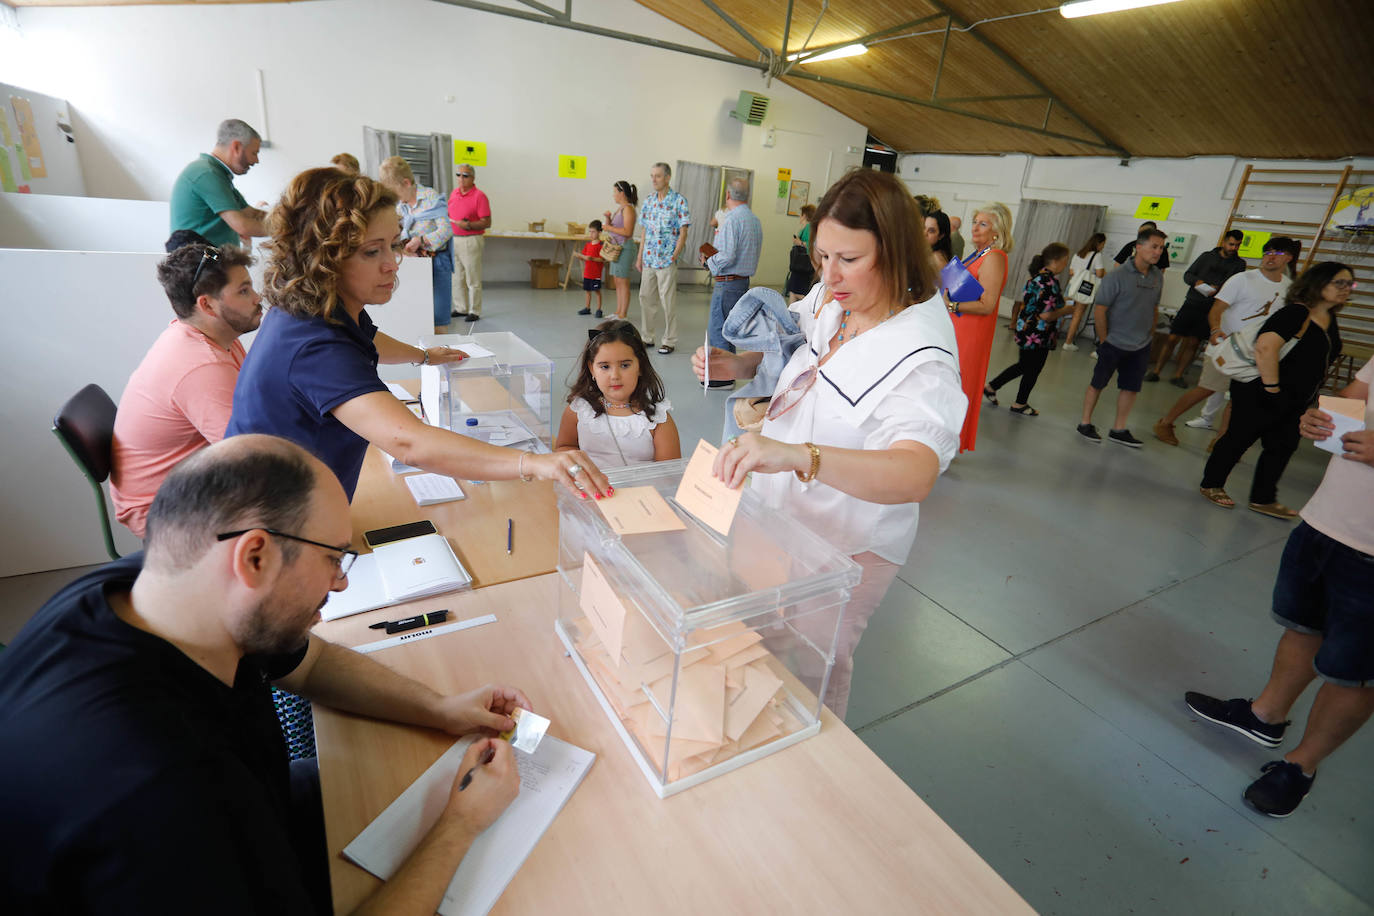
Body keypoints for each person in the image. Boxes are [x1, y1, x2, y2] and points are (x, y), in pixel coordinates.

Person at [0, 436, 526, 914]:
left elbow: (309, 661)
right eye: (334, 559)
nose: (340, 584)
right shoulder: (165, 796)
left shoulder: (151, 587)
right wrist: (460, 827)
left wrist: (439, 707)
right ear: (254, 556)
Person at [690, 168, 967, 719]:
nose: (830, 275)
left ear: (895, 251)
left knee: (813, 664)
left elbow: (914, 473)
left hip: (847, 539)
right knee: (761, 630)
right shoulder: (834, 297)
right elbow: (796, 345)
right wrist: (739, 362)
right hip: (781, 510)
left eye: (849, 259)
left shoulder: (922, 355)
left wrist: (798, 456)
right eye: (822, 256)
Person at [227, 167, 610, 503]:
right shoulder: (313, 345)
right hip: (268, 520)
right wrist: (535, 463)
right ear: (324, 258)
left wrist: (423, 356)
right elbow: (410, 442)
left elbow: (366, 338)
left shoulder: (317, 309)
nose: (393, 263)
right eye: (372, 252)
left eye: (393, 244)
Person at [1184, 356, 1372, 818]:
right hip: (1327, 521)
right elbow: (1358, 397)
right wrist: (1323, 416)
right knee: (1303, 627)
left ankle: (1301, 766)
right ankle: (1264, 716)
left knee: (1356, 671)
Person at [110, 243, 262, 538]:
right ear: (207, 305)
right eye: (244, 291)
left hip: (190, 483)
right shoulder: (201, 366)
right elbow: (250, 457)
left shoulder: (214, 337)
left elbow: (254, 406)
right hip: (163, 509)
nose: (258, 298)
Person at [1198, 262, 1347, 516]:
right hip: (1263, 388)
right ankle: (1212, 483)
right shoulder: (1296, 313)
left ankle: (1263, 497)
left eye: (1349, 284)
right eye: (1339, 282)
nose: (1346, 289)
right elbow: (1265, 347)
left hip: (1296, 398)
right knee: (1239, 437)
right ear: (1318, 283)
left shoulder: (1329, 321)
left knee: (1282, 446)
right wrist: (1272, 388)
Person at [1152, 237, 1301, 447]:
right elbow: (1217, 309)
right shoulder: (1242, 279)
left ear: (1288, 258)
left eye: (1276, 254)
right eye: (1267, 252)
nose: (1270, 257)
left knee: (1238, 400)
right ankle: (1165, 423)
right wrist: (1215, 329)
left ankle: (1221, 442)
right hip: (1226, 348)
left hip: (1254, 355)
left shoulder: (1289, 288)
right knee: (1206, 388)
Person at [1076, 227, 1167, 447]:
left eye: (1161, 248)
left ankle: (1119, 428)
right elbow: (1100, 310)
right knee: (1098, 383)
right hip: (1114, 342)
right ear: (1138, 247)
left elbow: (1154, 307)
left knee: (1131, 387)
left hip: (1141, 344)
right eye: (1154, 247)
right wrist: (1104, 340)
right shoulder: (1117, 276)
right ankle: (1085, 423)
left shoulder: (1157, 277)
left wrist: (1151, 332)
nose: (1158, 252)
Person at [555, 319, 680, 467]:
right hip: (590, 489)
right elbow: (564, 447)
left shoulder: (658, 418)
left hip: (643, 489)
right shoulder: (579, 410)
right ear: (592, 369)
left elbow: (669, 474)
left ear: (640, 366)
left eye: (625, 365)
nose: (615, 375)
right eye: (605, 366)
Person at [947, 202, 1012, 452]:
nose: (975, 227)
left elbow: (987, 304)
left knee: (959, 387)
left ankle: (950, 443)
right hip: (958, 327)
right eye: (975, 222)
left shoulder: (994, 257)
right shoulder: (978, 254)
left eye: (983, 224)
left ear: (997, 231)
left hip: (970, 332)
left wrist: (952, 306)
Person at [1146, 229, 1247, 387]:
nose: (1233, 248)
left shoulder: (1239, 264)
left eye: (1237, 245)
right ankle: (1156, 371)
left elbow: (1236, 286)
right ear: (1224, 242)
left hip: (1211, 308)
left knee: (1194, 342)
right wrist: (1198, 282)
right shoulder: (1207, 256)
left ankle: (1178, 375)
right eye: (1231, 244)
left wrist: (1220, 288)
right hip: (1192, 302)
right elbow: (1188, 275)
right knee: (1173, 338)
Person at [984, 243, 1074, 417]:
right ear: (1056, 261)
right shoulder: (1050, 282)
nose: (1066, 264)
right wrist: (1067, 310)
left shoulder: (1037, 278)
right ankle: (1019, 402)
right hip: (1038, 333)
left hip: (1026, 328)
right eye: (1065, 260)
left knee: (1024, 365)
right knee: (1032, 368)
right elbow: (1047, 315)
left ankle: (992, 387)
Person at [378, 155, 454, 333]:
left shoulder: (430, 197)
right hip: (411, 265)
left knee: (437, 318)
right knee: (415, 315)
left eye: (396, 194)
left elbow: (446, 230)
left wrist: (421, 241)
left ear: (406, 183)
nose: (397, 199)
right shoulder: (400, 205)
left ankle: (441, 355)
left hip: (436, 262)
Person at [168, 118, 267, 250]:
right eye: (254, 153)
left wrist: (288, 216)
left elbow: (250, 213)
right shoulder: (207, 174)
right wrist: (288, 230)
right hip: (198, 264)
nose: (256, 160)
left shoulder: (218, 174)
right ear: (236, 147)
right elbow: (242, 226)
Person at [703, 177, 763, 383]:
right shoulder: (754, 221)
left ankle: (722, 378)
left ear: (727, 195)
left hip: (727, 283)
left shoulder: (731, 220)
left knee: (718, 329)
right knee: (730, 329)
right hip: (742, 282)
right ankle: (730, 372)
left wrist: (708, 261)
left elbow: (727, 255)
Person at [636, 162, 691, 354]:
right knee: (645, 298)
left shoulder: (679, 201)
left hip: (666, 261)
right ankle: (647, 337)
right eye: (652, 176)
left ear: (667, 178)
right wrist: (639, 256)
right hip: (649, 259)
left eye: (657, 176)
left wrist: (674, 255)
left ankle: (669, 340)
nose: (654, 179)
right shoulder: (648, 201)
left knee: (667, 301)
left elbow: (683, 232)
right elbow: (644, 231)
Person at [448, 164, 491, 322]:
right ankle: (461, 308)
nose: (461, 178)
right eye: (458, 174)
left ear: (472, 178)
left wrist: (468, 225)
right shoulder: (454, 193)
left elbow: (487, 222)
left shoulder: (479, 196)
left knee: (472, 278)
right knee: (457, 277)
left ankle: (475, 310)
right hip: (455, 239)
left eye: (465, 175)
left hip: (471, 240)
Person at [1061, 232, 1107, 351]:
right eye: (1103, 244)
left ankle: (1053, 336)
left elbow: (1071, 272)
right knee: (1077, 315)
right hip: (1084, 288)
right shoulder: (1097, 256)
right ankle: (1068, 342)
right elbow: (1099, 274)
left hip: (1072, 286)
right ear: (1099, 243)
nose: (1103, 247)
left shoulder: (1078, 254)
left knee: (1063, 311)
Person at [603, 180, 639, 320]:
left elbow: (627, 231)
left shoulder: (628, 209)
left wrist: (609, 228)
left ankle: (623, 314)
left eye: (615, 192)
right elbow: (611, 228)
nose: (613, 195)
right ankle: (618, 311)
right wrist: (607, 219)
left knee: (623, 282)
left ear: (621, 193)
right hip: (616, 249)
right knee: (617, 281)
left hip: (625, 248)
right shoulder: (619, 209)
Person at [785, 203, 817, 304]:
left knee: (797, 293)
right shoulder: (810, 227)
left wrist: (800, 243)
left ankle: (797, 313)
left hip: (802, 265)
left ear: (804, 215)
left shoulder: (808, 227)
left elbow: (811, 245)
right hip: (803, 266)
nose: (800, 216)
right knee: (794, 292)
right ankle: (792, 314)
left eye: (801, 214)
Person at [574, 220, 605, 317]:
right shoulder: (588, 245)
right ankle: (587, 308)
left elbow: (603, 259)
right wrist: (579, 256)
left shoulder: (601, 245)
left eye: (593, 232)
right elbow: (584, 257)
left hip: (596, 274)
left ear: (599, 232)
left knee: (597, 291)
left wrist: (593, 259)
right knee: (587, 291)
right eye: (590, 231)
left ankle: (599, 309)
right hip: (587, 273)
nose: (591, 234)